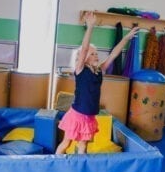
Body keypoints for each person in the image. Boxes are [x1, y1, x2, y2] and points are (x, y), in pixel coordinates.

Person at [55, 11, 139, 154]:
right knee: (66, 143)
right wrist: (90, 27)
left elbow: (113, 54)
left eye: (96, 53)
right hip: (77, 115)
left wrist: (125, 38)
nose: (96, 55)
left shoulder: (100, 70)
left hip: (89, 116)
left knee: (83, 146)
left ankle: (81, 168)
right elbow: (84, 48)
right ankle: (55, 164)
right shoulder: (80, 69)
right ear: (85, 57)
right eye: (92, 53)